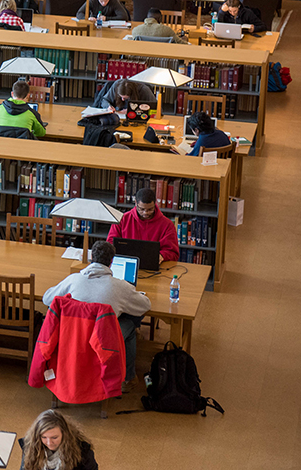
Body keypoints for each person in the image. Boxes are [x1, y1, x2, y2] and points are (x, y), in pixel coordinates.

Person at [42, 239, 151, 392]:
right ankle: (128, 378)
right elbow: (145, 306)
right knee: (131, 327)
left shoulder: (73, 279)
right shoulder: (120, 287)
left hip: (73, 338)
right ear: (112, 262)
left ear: (92, 257)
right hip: (101, 342)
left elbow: (47, 299)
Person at [106, 187, 180, 262]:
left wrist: (162, 256)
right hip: (126, 262)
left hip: (154, 265)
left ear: (155, 204)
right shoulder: (122, 219)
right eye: (141, 209)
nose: (145, 213)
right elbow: (110, 244)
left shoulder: (167, 225)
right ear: (136, 203)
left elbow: (173, 253)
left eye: (150, 209)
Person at [19, 410, 98, 470]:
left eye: (54, 437)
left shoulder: (83, 450)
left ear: (64, 434)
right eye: (44, 437)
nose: (49, 443)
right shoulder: (30, 445)